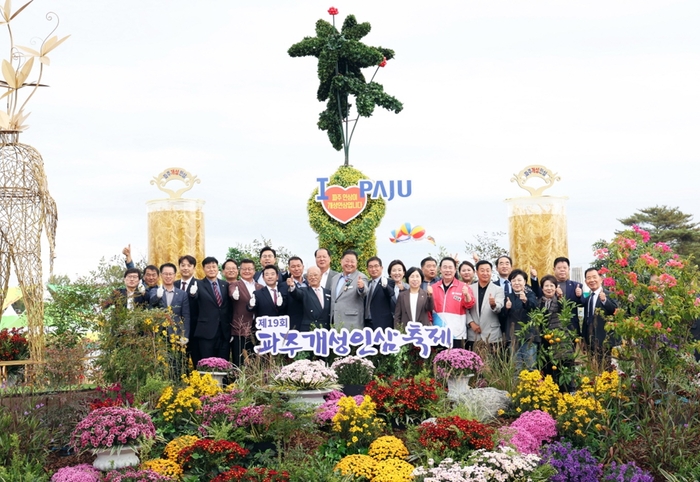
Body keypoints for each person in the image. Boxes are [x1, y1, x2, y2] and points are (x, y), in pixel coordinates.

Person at [150, 263, 190, 379]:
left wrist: (185, 335)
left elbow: (186, 315)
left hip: (176, 335)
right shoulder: (155, 291)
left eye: (170, 274)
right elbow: (151, 302)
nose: (168, 276)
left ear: (175, 275)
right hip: (159, 335)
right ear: (161, 275)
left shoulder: (182, 294)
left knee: (177, 364)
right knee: (160, 364)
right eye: (165, 274)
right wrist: (158, 296)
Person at [191, 256, 232, 363]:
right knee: (206, 363)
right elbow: (194, 299)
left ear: (218, 268)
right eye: (208, 267)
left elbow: (228, 307)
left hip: (223, 331)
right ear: (203, 269)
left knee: (223, 363)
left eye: (214, 267)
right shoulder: (198, 284)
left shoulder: (225, 285)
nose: (211, 269)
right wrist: (192, 294)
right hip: (206, 331)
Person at [432, 257, 475, 348]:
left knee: (455, 361)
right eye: (445, 267)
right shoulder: (433, 288)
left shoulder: (463, 286)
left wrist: (466, 294)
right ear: (440, 269)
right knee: (438, 361)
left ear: (455, 270)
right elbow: (428, 310)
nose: (448, 270)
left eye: (450, 267)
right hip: (437, 333)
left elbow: (470, 304)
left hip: (457, 334)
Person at [503, 269, 538, 371]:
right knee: (515, 369)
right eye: (514, 281)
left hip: (528, 337)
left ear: (525, 282)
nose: (516, 283)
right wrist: (506, 308)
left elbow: (534, 308)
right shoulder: (508, 297)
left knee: (530, 368)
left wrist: (525, 301)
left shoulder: (530, 294)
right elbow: (502, 316)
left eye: (519, 280)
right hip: (512, 337)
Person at [229, 258, 262, 368]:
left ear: (254, 270)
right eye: (244, 269)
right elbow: (231, 291)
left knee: (255, 359)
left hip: (257, 328)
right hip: (240, 328)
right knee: (239, 361)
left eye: (250, 269)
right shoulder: (235, 285)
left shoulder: (260, 287)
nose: (247, 271)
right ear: (240, 270)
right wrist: (234, 294)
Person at [467, 260, 505, 349]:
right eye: (482, 270)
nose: (485, 273)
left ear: (491, 272)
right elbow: (464, 309)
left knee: (492, 362)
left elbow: (499, 307)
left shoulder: (498, 289)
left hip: (492, 335)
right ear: (476, 272)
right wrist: (471, 323)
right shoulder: (469, 289)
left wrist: (493, 305)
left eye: (488, 270)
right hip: (473, 333)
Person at [583, 267, 618, 361]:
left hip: (606, 340)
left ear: (601, 279)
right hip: (591, 340)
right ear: (586, 282)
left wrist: (604, 301)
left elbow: (616, 311)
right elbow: (586, 319)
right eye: (588, 278)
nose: (592, 280)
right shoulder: (588, 298)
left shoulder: (610, 294)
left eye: (594, 277)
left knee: (607, 370)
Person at [330, 249, 368, 330]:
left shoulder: (361, 277)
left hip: (352, 324)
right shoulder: (335, 278)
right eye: (347, 261)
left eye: (352, 261)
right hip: (335, 322)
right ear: (341, 261)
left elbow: (364, 292)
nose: (349, 264)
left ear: (356, 264)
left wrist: (361, 287)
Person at [287, 266, 331, 331]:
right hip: (309, 329)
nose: (313, 277)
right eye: (310, 275)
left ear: (321, 276)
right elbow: (296, 293)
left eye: (315, 275)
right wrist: (292, 286)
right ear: (307, 278)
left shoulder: (328, 292)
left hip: (325, 329)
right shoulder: (304, 291)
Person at [175, 255, 200, 366]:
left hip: (195, 331)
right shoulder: (173, 284)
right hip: (175, 330)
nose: (185, 268)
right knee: (178, 363)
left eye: (189, 265)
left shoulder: (200, 284)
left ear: (194, 268)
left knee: (196, 361)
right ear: (179, 267)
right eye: (183, 265)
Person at [364, 257, 395, 330]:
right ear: (367, 269)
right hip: (367, 324)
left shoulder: (389, 282)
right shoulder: (367, 284)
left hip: (382, 324)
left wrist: (385, 285)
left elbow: (390, 293)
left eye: (376, 266)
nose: (373, 269)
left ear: (381, 268)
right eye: (370, 267)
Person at [285, 256, 307, 330]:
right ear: (289, 269)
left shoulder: (310, 283)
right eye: (293, 266)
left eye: (298, 266)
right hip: (293, 325)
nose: (296, 269)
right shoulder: (284, 285)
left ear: (303, 267)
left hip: (309, 324)